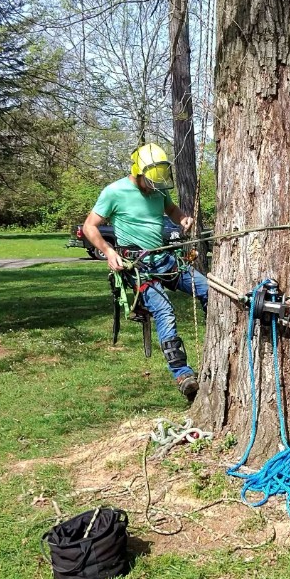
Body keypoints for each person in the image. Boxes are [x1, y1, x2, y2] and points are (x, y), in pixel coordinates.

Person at [83, 143, 208, 402]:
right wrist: (109, 252)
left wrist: (182, 218)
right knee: (164, 311)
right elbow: (90, 227)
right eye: (150, 180)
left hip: (166, 260)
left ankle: (221, 348)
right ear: (138, 172)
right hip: (139, 266)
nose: (155, 185)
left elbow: (171, 209)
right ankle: (183, 375)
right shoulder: (114, 192)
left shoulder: (157, 189)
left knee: (209, 290)